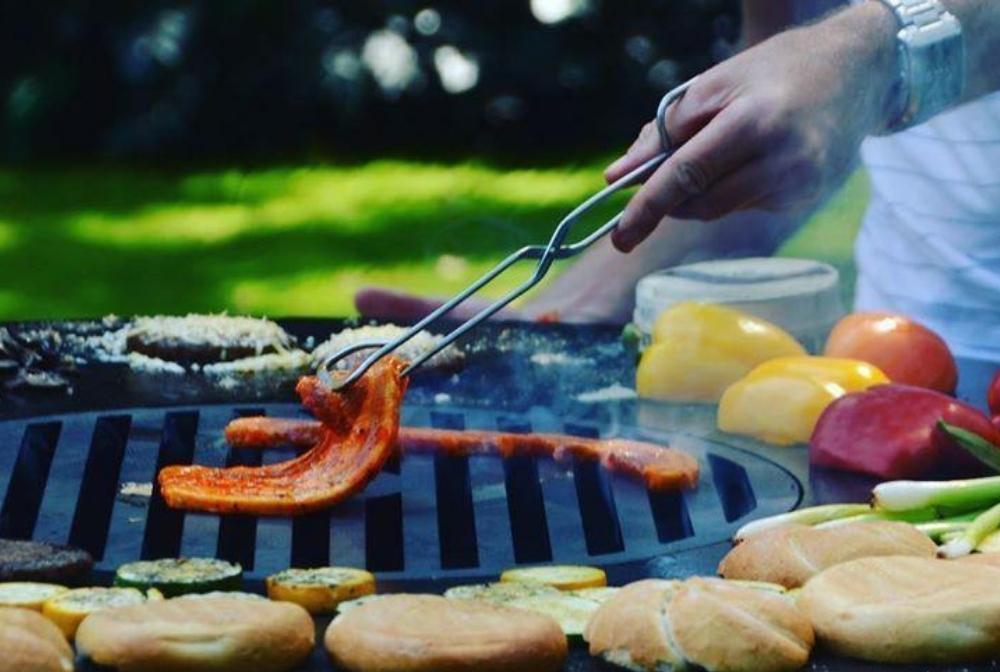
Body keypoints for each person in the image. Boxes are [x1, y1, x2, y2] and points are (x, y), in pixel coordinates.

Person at [356, 0, 1000, 357]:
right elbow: (775, 130)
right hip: (895, 358)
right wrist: (577, 308)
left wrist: (879, 51)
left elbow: (845, 64)